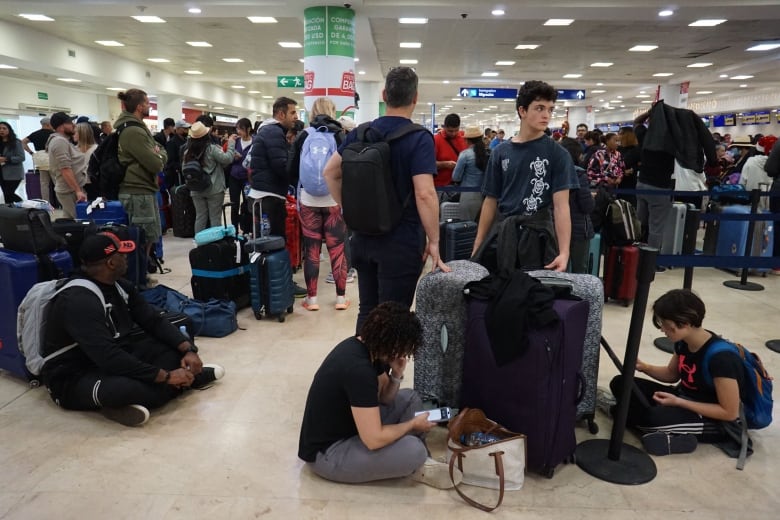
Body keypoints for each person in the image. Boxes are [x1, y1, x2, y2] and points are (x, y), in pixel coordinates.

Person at [40, 231, 225, 427]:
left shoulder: (120, 286)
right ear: (111, 263)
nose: (127, 257)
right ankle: (174, 385)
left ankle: (174, 383)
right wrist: (167, 376)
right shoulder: (78, 301)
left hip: (113, 357)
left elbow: (153, 321)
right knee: (132, 388)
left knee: (172, 351)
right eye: (122, 254)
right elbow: (107, 356)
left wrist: (188, 350)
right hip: (74, 375)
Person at [323, 66, 448, 332]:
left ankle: (364, 370)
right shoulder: (418, 138)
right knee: (394, 318)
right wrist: (434, 240)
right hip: (400, 242)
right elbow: (424, 193)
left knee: (367, 310)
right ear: (415, 97)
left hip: (363, 238)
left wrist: (350, 208)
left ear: (384, 95)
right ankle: (385, 374)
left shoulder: (360, 133)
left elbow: (330, 172)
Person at [298, 301, 461, 488]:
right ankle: (414, 461)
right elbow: (373, 439)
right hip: (328, 453)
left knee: (411, 398)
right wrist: (411, 425)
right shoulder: (359, 371)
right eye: (404, 348)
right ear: (391, 343)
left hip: (352, 428)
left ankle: (410, 459)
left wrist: (397, 375)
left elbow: (385, 398)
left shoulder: (366, 347)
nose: (404, 354)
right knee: (414, 450)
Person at [610, 289, 747, 456]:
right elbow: (671, 374)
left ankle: (677, 437)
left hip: (714, 421)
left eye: (666, 325)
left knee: (647, 418)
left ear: (685, 323)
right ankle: (649, 421)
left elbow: (729, 412)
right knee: (620, 383)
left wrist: (678, 403)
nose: (662, 330)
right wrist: (645, 367)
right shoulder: (683, 342)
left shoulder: (722, 358)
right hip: (683, 398)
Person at [471, 80, 578, 272]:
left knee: (534, 296)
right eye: (539, 108)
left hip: (539, 237)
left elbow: (562, 206)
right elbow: (490, 200)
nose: (546, 115)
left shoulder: (558, 154)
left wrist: (564, 252)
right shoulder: (500, 152)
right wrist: (478, 245)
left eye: (550, 109)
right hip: (504, 234)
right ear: (522, 111)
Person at [287, 97, 349, 311]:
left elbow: (291, 168)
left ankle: (312, 299)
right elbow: (348, 166)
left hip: (308, 199)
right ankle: (341, 298)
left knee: (312, 249)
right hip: (334, 199)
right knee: (337, 249)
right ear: (332, 111)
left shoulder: (304, 135)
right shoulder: (339, 134)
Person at [248, 96, 306, 297]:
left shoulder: (268, 131)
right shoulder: (273, 132)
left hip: (266, 196)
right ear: (280, 114)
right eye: (292, 112)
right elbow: (281, 166)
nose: (295, 117)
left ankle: (272, 284)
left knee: (268, 242)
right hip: (268, 197)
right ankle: (277, 286)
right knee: (273, 243)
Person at [115, 89, 167, 262]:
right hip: (137, 191)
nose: (149, 106)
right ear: (139, 107)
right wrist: (158, 154)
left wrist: (158, 153)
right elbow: (156, 163)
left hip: (142, 189)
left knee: (148, 236)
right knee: (142, 238)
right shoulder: (133, 131)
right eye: (147, 103)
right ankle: (138, 277)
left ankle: (140, 273)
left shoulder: (136, 128)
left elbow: (159, 151)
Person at [183, 121, 236, 232]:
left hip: (195, 188)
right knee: (215, 218)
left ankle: (200, 244)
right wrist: (231, 144)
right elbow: (228, 159)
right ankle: (214, 246)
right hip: (214, 188)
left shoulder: (187, 152)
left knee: (200, 217)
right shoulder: (211, 149)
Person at [560, 138, 595, 274]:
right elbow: (587, 206)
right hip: (579, 230)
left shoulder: (552, 172)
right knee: (579, 270)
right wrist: (592, 199)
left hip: (557, 229)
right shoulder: (579, 174)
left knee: (558, 270)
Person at [46, 112, 87, 217]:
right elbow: (65, 169)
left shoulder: (63, 141)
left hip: (70, 189)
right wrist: (77, 190)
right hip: (69, 191)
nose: (73, 125)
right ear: (61, 126)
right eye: (69, 122)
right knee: (78, 221)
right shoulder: (59, 142)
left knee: (69, 220)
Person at [451, 125, 487, 221]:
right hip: (485, 196)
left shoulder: (465, 155)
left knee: (467, 227)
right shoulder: (488, 153)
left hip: (468, 196)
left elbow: (456, 177)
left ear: (467, 140)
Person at [227, 117, 253, 234]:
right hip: (234, 177)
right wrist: (233, 157)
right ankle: (234, 228)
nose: (239, 132)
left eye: (241, 129)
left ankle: (247, 227)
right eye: (238, 129)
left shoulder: (255, 142)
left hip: (247, 179)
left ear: (248, 129)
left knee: (248, 203)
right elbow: (226, 157)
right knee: (234, 203)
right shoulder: (235, 142)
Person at [22, 117, 55, 202]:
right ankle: (60, 203)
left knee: (44, 183)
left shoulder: (35, 134)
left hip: (41, 160)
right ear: (48, 124)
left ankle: (46, 203)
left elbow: (23, 142)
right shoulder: (54, 134)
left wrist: (31, 153)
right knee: (57, 182)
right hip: (53, 159)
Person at [433, 113, 467, 189]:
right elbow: (429, 164)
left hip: (461, 185)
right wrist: (445, 164)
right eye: (450, 131)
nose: (453, 133)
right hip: (441, 186)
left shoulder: (464, 137)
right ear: (444, 127)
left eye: (456, 130)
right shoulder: (436, 140)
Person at [0, 121, 25, 204]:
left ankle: (25, 205)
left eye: (4, 128)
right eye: (0, 128)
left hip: (14, 173)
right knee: (6, 195)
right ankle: (10, 212)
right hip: (1, 172)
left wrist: (6, 159)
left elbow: (21, 157)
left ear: (9, 130)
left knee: (9, 193)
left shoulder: (16, 142)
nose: (1, 130)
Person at [75, 122, 99, 200]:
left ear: (82, 134)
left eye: (75, 132)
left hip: (93, 184)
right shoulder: (73, 149)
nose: (73, 134)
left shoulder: (96, 149)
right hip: (78, 185)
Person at [163, 119, 190, 189]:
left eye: (187, 128)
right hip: (176, 177)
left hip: (185, 174)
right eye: (184, 129)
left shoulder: (186, 141)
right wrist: (180, 167)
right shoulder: (172, 143)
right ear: (177, 129)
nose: (187, 130)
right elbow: (170, 161)